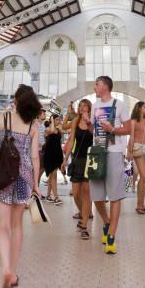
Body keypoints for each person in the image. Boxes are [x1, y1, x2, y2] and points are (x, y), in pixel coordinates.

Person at [0, 84, 42, 288]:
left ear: (15, 101)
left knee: (2, 227)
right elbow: (35, 157)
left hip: (2, 174)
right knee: (17, 226)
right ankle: (13, 272)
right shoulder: (33, 125)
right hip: (24, 175)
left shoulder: (2, 118)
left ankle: (6, 268)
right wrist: (35, 183)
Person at [91, 75, 131, 255]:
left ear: (105, 87)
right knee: (96, 195)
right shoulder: (94, 106)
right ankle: (106, 221)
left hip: (114, 153)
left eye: (97, 84)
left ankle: (112, 236)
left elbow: (129, 128)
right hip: (97, 153)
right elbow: (94, 130)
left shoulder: (120, 105)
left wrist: (112, 129)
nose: (95, 87)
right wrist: (87, 123)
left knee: (115, 196)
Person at [61, 98, 93, 239]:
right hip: (77, 159)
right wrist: (65, 159)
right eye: (80, 105)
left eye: (84, 106)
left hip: (90, 160)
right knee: (75, 193)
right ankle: (83, 213)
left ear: (89, 108)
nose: (81, 108)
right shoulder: (75, 122)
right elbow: (72, 138)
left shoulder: (93, 121)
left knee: (86, 193)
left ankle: (84, 225)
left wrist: (89, 121)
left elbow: (96, 135)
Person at [127, 101, 145, 215]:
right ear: (139, 108)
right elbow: (132, 136)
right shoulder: (133, 121)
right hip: (138, 147)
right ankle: (139, 205)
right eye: (144, 106)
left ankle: (141, 204)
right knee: (143, 175)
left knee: (144, 178)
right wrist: (129, 151)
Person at [43, 114, 63, 204]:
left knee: (51, 176)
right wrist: (51, 121)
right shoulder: (47, 130)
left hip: (57, 155)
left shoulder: (59, 130)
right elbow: (51, 130)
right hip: (49, 155)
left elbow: (67, 130)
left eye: (59, 119)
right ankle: (56, 197)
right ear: (52, 120)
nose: (59, 121)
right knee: (53, 176)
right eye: (57, 120)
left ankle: (48, 196)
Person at [36, 108, 47, 190]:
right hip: (38, 150)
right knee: (38, 170)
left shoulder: (42, 125)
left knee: (41, 169)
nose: (45, 115)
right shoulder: (35, 125)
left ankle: (36, 189)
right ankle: (36, 189)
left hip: (42, 150)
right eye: (43, 114)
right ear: (39, 115)